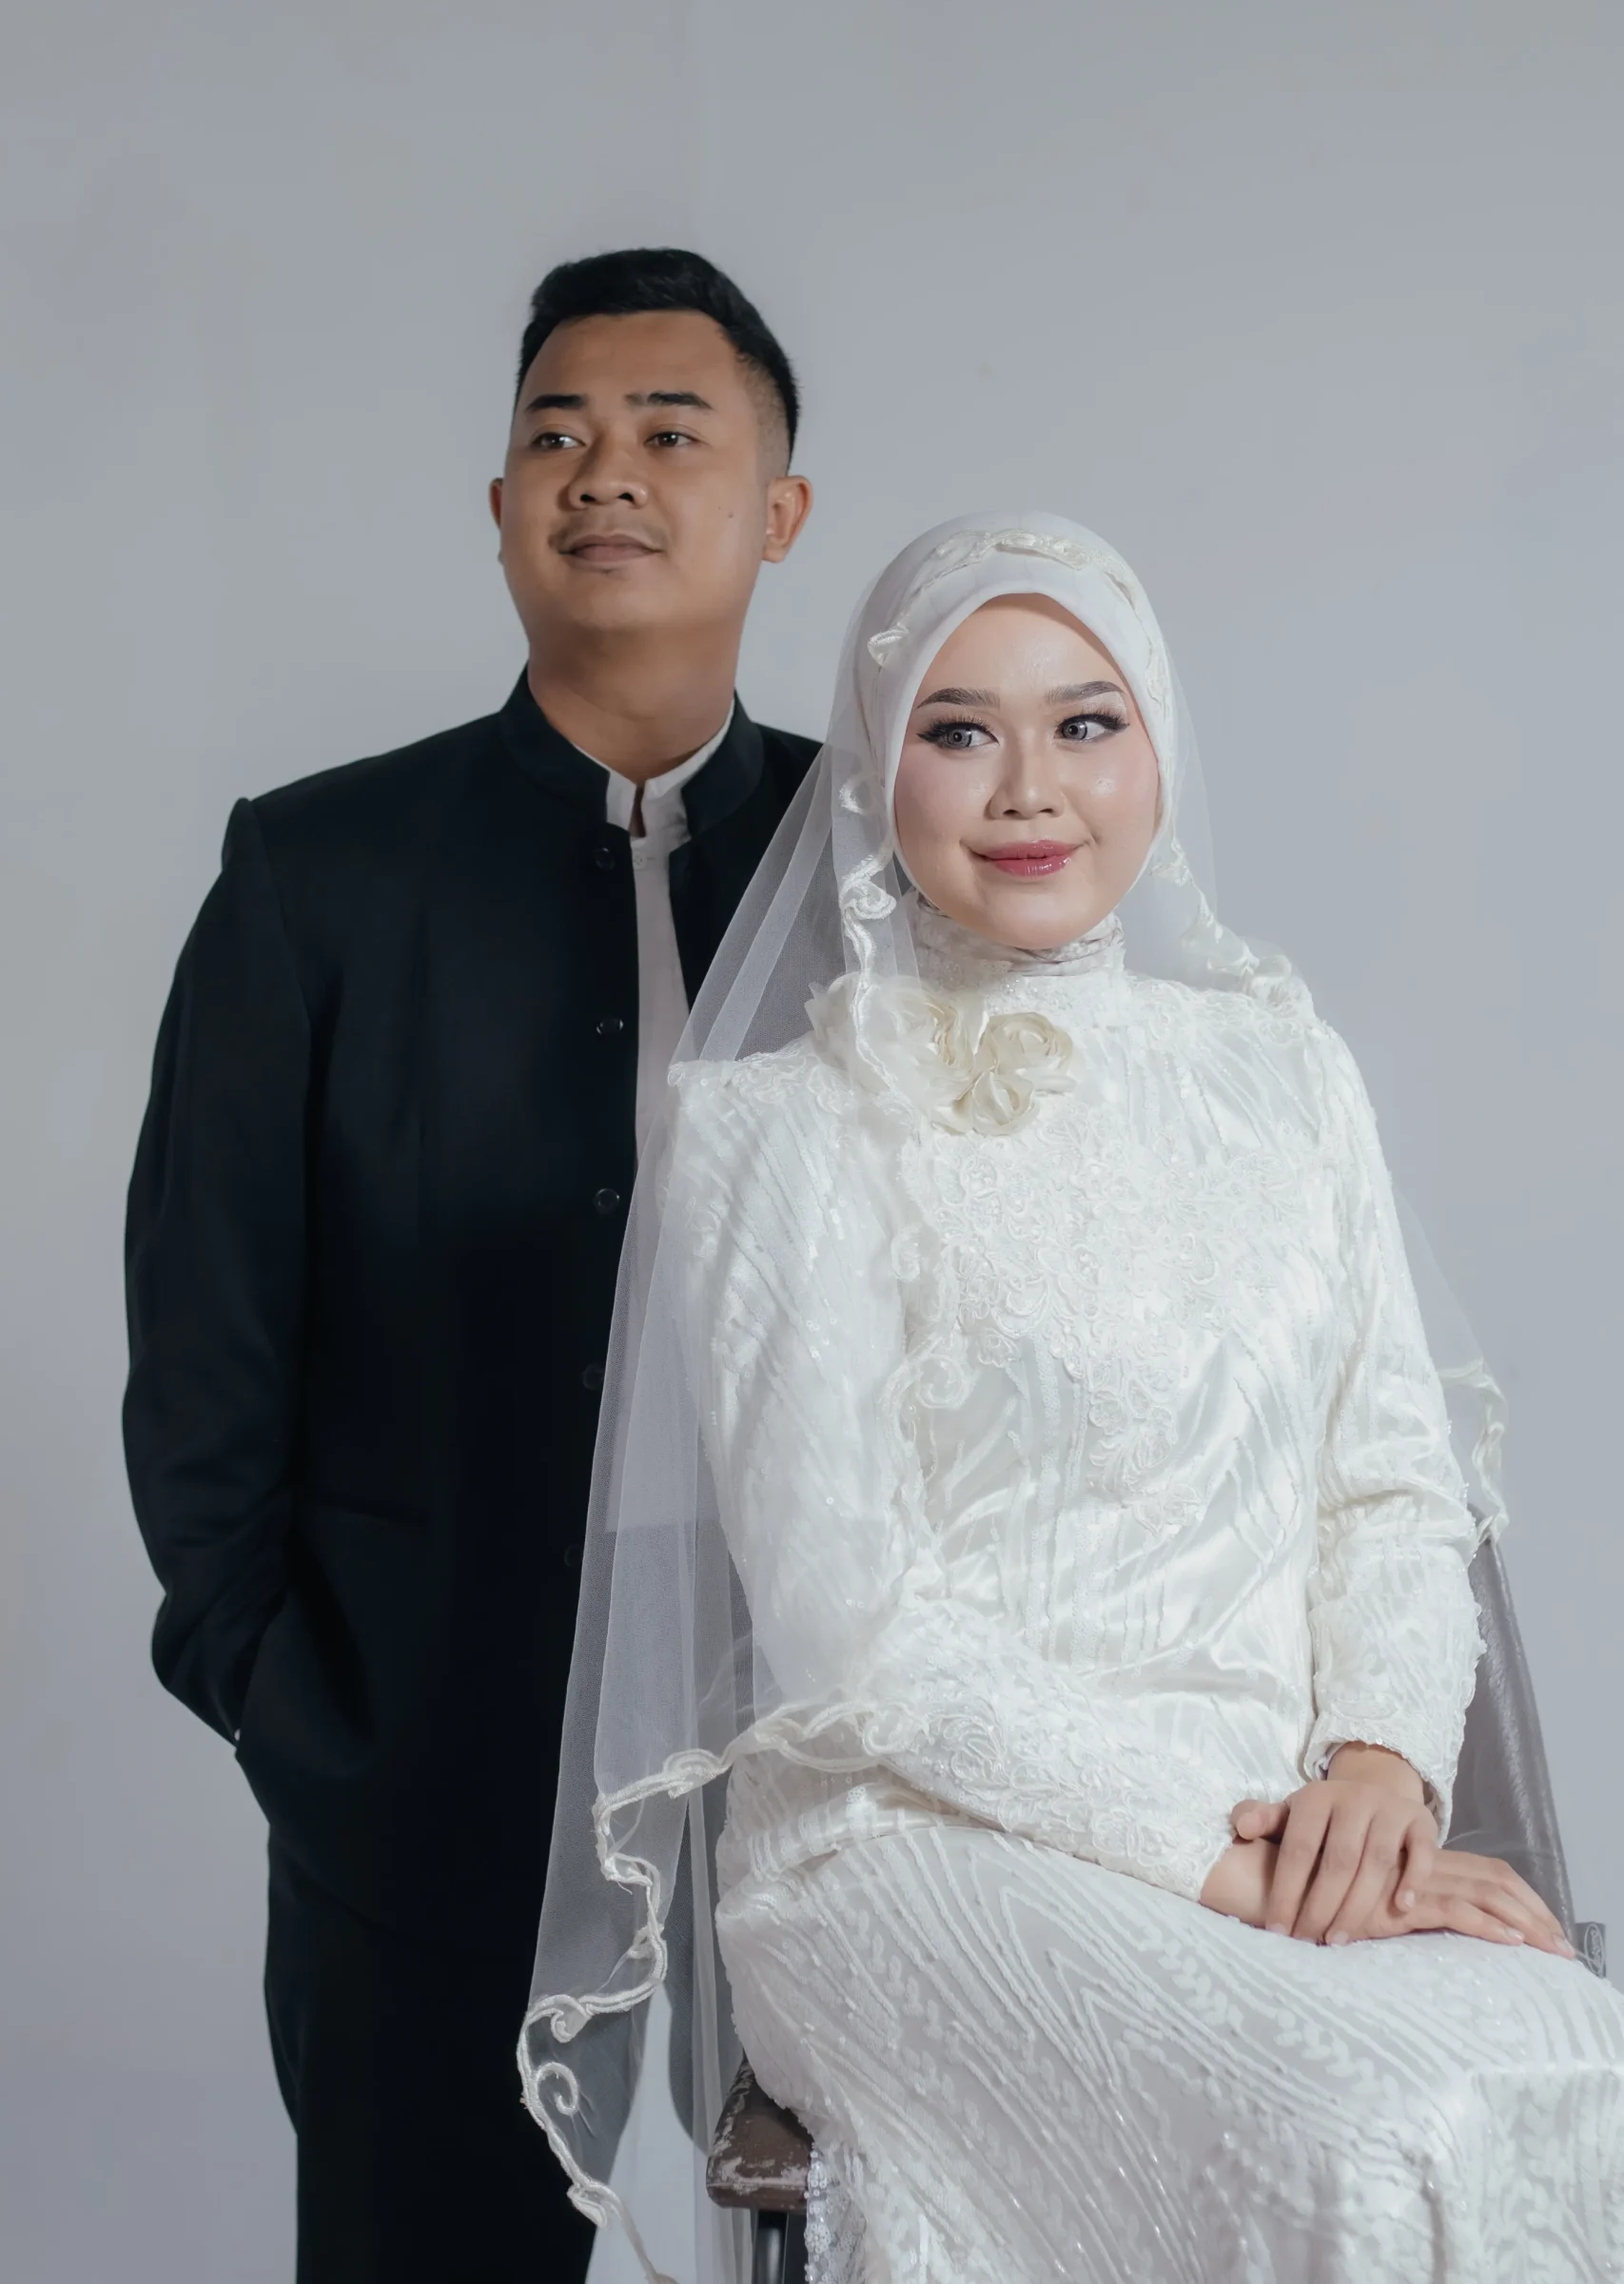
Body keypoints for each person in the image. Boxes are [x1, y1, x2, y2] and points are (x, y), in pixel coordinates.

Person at [522, 516, 1624, 2283]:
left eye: (1086, 723)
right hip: (911, 1839)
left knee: (1578, 2077)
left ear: (1159, 746)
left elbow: (1391, 1488)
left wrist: (1380, 1764)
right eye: (958, 729)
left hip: (1282, 1807)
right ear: (874, 768)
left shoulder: (1285, 1072)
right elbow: (852, 1627)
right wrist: (1222, 1865)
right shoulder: (777, 1129)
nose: (1029, 787)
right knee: (1361, 2134)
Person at [123, 246, 815, 2284]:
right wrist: (287, 1697)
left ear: (777, 509)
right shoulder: (317, 873)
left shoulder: (878, 858)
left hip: (823, 1754)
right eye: (556, 433)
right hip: (424, 1770)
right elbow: (205, 1347)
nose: (605, 471)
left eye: (670, 431)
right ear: (502, 502)